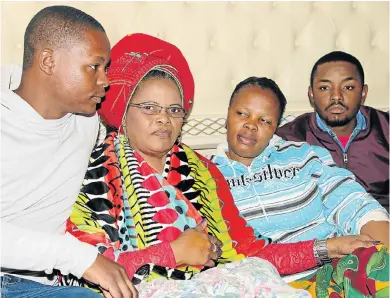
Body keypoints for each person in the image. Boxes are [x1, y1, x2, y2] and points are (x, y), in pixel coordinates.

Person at [64, 33, 385, 297]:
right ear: (123, 110)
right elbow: (76, 267)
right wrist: (172, 254)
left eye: (175, 110)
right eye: (149, 107)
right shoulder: (90, 171)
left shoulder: (202, 172)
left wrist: (327, 248)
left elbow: (249, 251)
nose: (163, 118)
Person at [1, 6, 138, 298]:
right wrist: (80, 258)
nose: (106, 80)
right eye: (94, 66)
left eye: (107, 68)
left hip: (33, 286)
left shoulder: (86, 121)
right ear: (48, 61)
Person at [210, 76, 389, 296]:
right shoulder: (204, 176)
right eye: (242, 113)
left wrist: (382, 252)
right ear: (228, 114)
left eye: (264, 120)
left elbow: (353, 202)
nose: (251, 125)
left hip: (333, 269)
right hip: (261, 285)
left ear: (276, 127)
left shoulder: (303, 156)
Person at [276, 51, 389, 211]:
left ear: (363, 93)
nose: (336, 96)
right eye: (324, 88)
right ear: (311, 94)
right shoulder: (288, 139)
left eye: (348, 87)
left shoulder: (386, 129)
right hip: (324, 231)